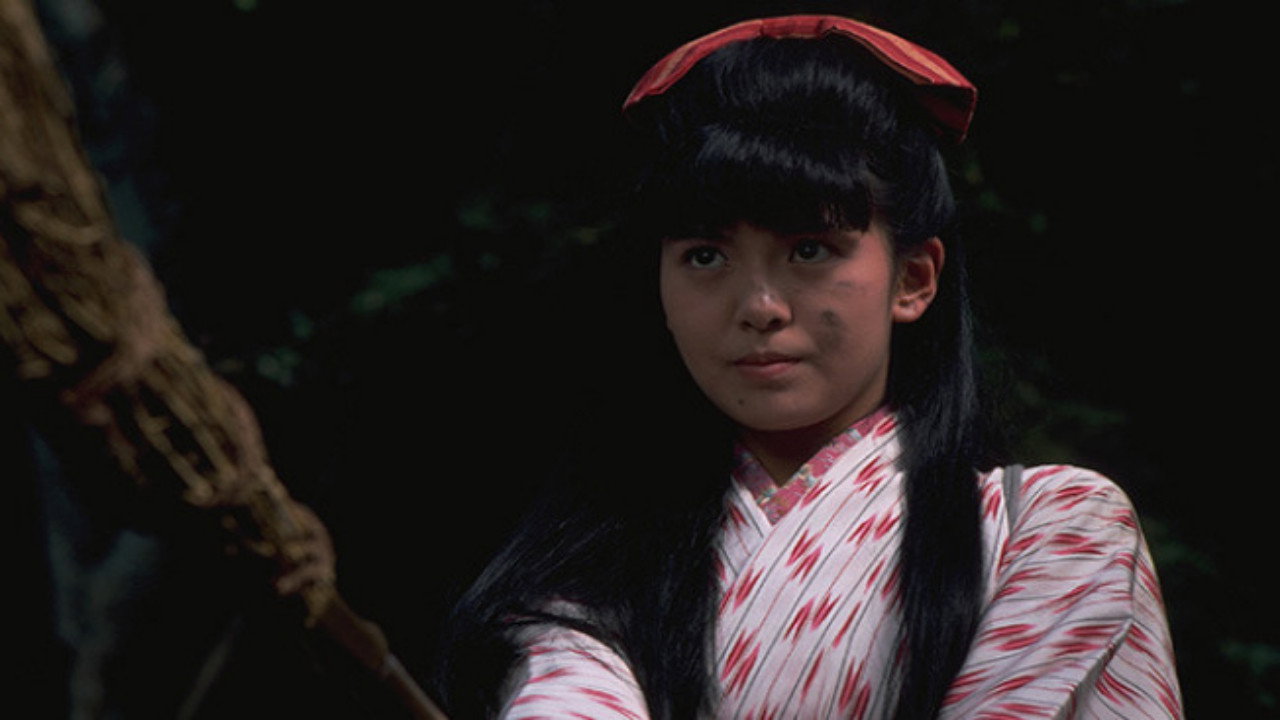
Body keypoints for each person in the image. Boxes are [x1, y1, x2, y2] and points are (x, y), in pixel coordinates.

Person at [436, 15, 1182, 720]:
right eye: (705, 256)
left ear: (913, 278)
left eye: (809, 249)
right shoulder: (584, 580)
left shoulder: (1051, 532)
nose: (759, 306)